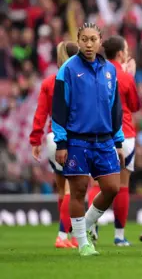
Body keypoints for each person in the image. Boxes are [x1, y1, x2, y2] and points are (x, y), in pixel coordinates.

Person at [51, 23, 125, 256]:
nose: (89, 44)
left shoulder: (110, 70)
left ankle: (88, 222)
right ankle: (83, 243)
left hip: (104, 140)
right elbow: (59, 109)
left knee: (112, 188)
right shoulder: (68, 70)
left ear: (100, 41)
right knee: (79, 191)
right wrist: (61, 143)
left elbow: (115, 107)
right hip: (78, 140)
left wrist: (118, 141)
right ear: (79, 40)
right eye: (84, 39)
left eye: (93, 39)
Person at [30, 41, 79, 249]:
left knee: (62, 190)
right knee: (74, 190)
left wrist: (35, 140)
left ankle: (71, 236)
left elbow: (41, 112)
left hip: (51, 138)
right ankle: (62, 236)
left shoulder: (49, 81)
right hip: (69, 139)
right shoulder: (77, 80)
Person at [102, 35, 141, 247]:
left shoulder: (98, 72)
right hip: (125, 134)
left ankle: (91, 228)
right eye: (126, 50)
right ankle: (119, 235)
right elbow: (135, 105)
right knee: (123, 185)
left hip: (99, 134)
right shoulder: (125, 77)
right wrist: (130, 76)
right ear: (120, 54)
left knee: (95, 183)